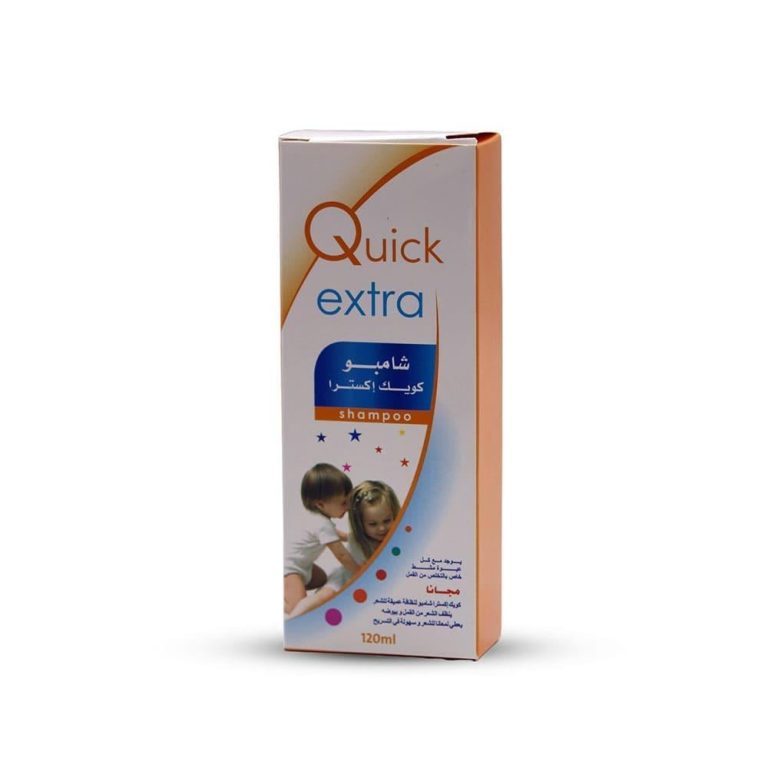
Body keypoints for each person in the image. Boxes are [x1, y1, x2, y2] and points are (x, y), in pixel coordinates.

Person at [287, 480, 400, 617]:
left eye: (387, 521)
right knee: (323, 597)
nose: (382, 528)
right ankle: (293, 618)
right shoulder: (358, 542)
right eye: (373, 524)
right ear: (360, 524)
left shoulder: (395, 538)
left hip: (367, 585)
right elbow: (348, 561)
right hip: (347, 578)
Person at [284, 463, 360, 615]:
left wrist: (349, 537)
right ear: (320, 504)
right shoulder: (322, 524)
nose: (348, 507)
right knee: (297, 608)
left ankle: (290, 589)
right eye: (343, 503)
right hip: (289, 568)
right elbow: (342, 555)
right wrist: (360, 573)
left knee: (321, 579)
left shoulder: (317, 518)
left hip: (303, 565)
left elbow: (333, 534)